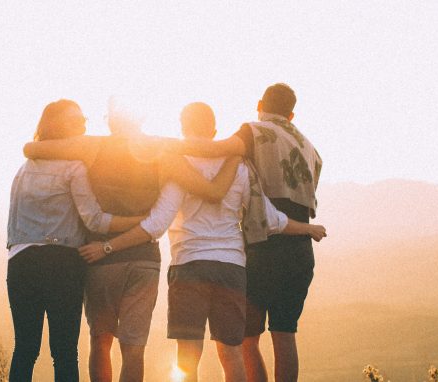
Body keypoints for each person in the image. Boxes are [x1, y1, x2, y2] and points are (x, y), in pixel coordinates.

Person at [79, 102, 326, 382]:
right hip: (231, 268)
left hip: (189, 267)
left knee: (188, 357)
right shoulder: (240, 167)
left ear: (183, 128)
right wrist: (307, 228)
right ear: (215, 130)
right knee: (231, 354)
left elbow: (156, 224)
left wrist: (108, 246)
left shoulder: (178, 167)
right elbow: (269, 219)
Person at [22, 100, 240, 382]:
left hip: (99, 258)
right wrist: (237, 151)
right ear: (141, 117)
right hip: (144, 260)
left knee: (100, 342)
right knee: (134, 349)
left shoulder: (92, 146)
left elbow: (32, 149)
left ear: (111, 119)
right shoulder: (161, 149)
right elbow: (211, 187)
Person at [167, 84, 323, 382]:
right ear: (291, 114)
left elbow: (214, 150)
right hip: (300, 248)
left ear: (259, 104)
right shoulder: (310, 147)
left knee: (246, 339)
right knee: (285, 334)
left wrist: (162, 146)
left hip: (262, 245)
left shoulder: (255, 131)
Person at [6, 99, 146, 382]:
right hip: (62, 263)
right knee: (65, 351)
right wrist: (138, 221)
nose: (83, 124)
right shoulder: (74, 167)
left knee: (25, 348)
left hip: (20, 263)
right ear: (59, 126)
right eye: (76, 121)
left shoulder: (24, 169)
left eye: (84, 119)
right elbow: (94, 220)